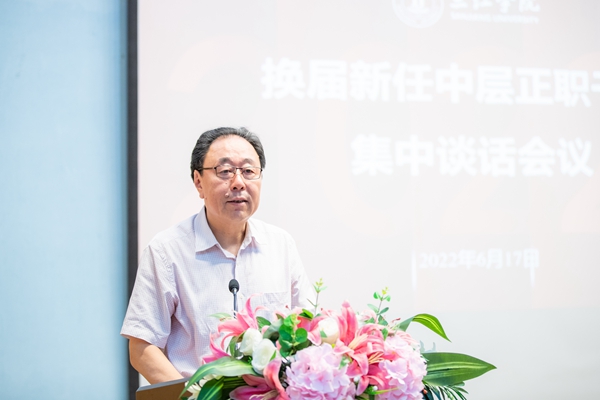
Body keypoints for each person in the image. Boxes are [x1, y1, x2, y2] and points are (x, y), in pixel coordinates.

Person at [121, 127, 312, 383]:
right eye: (225, 171)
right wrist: (192, 397)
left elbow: (309, 328)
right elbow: (142, 348)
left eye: (248, 171)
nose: (238, 182)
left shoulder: (281, 245)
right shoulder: (166, 251)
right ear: (198, 182)